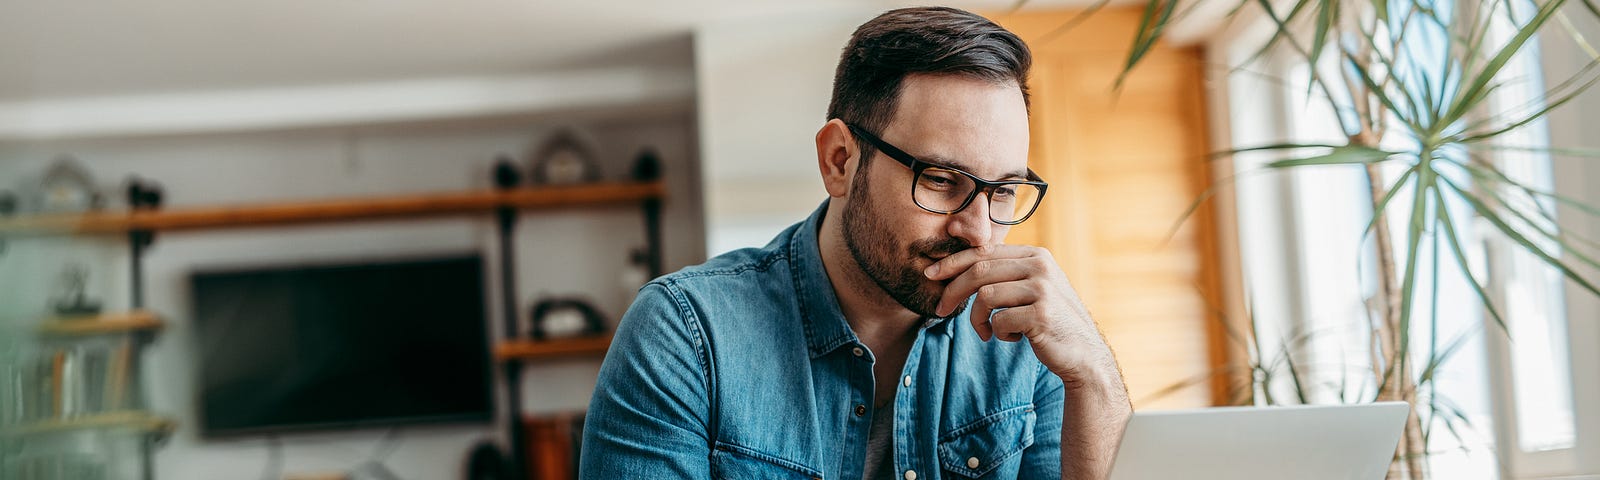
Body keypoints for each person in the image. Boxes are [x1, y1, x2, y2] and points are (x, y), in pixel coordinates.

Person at [580, 6, 1131, 479]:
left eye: (1004, 191)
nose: (980, 231)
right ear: (839, 160)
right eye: (940, 181)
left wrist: (1096, 378)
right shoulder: (685, 337)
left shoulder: (1027, 348)